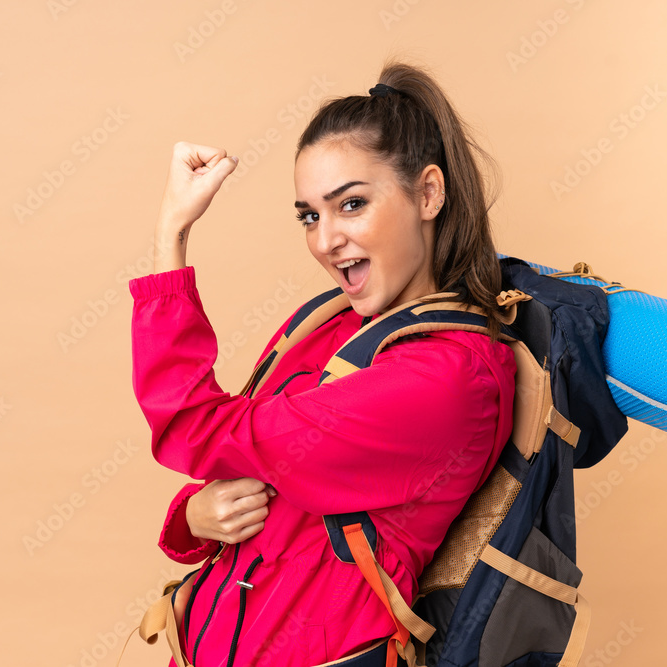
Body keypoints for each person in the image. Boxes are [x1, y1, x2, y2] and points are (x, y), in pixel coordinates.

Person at [129, 59, 517, 667]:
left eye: (352, 204)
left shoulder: (445, 379)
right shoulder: (332, 321)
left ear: (429, 193)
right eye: (310, 215)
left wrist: (170, 238)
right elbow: (250, 466)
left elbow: (197, 429)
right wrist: (196, 517)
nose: (324, 240)